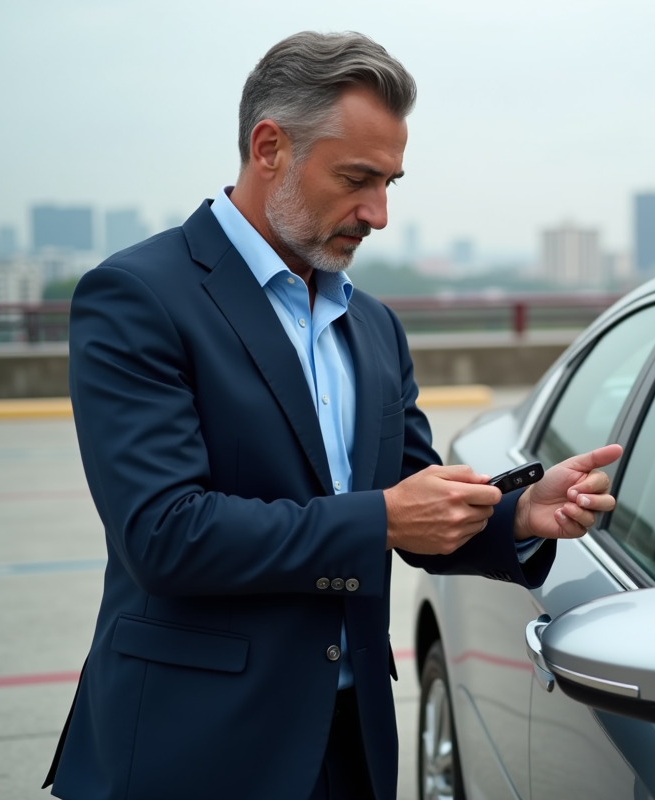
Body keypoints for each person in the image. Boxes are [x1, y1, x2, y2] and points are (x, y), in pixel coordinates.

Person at [44, 31, 620, 800]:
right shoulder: (137, 297)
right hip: (195, 746)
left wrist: (517, 516)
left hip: (351, 740)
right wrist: (380, 518)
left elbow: (413, 499)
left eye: (390, 182)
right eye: (357, 179)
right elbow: (164, 533)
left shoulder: (374, 325)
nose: (378, 213)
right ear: (270, 147)